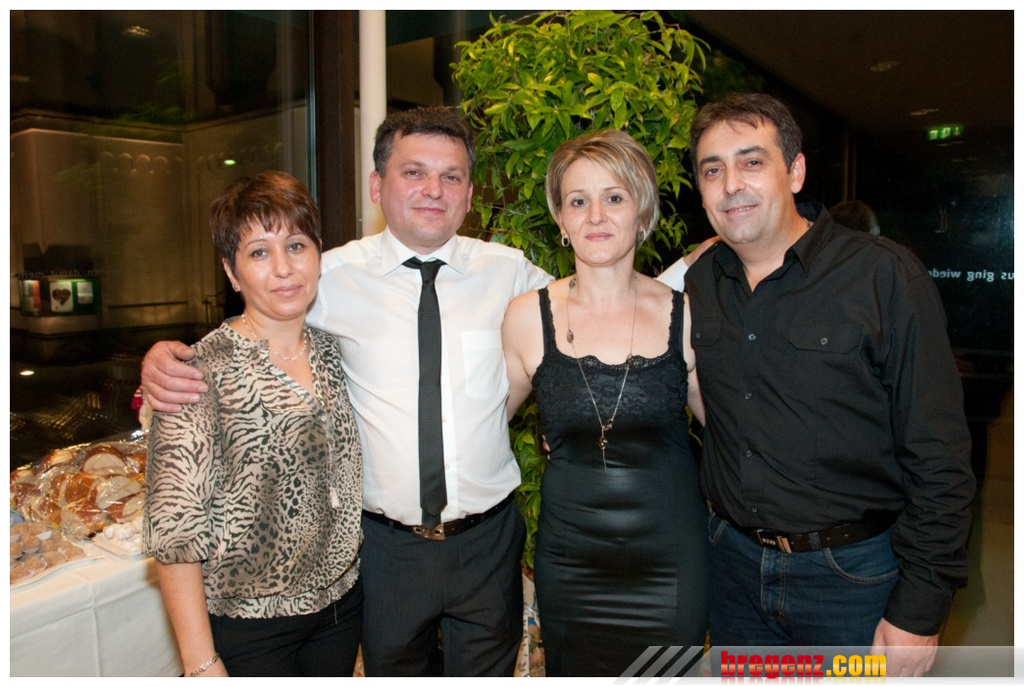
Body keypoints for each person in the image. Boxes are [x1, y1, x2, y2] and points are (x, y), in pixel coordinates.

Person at [140, 107, 707, 676]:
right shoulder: (324, 276)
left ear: (470, 194)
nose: (433, 190)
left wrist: (710, 257)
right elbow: (258, 316)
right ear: (377, 186)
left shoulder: (511, 276)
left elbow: (610, 304)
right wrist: (166, 357)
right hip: (387, 552)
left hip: (488, 544)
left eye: (451, 176)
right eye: (414, 172)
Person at [684, 93, 974, 676]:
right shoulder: (701, 281)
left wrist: (921, 607)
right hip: (732, 571)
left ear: (795, 171)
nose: (731, 184)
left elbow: (939, 455)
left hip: (852, 580)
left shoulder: (883, 277)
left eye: (751, 162)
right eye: (712, 170)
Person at [502, 130, 708, 676]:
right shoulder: (527, 318)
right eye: (578, 201)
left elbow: (737, 436)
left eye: (614, 197)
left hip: (671, 565)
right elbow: (483, 426)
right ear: (561, 219)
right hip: (572, 567)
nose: (595, 215)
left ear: (642, 212)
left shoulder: (688, 315)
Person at [143, 171, 363, 677]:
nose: (284, 268)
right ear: (232, 271)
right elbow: (175, 535)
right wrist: (201, 663)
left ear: (319, 254)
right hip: (249, 629)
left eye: (296, 245)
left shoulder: (336, 351)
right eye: (259, 253)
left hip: (341, 609)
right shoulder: (199, 373)